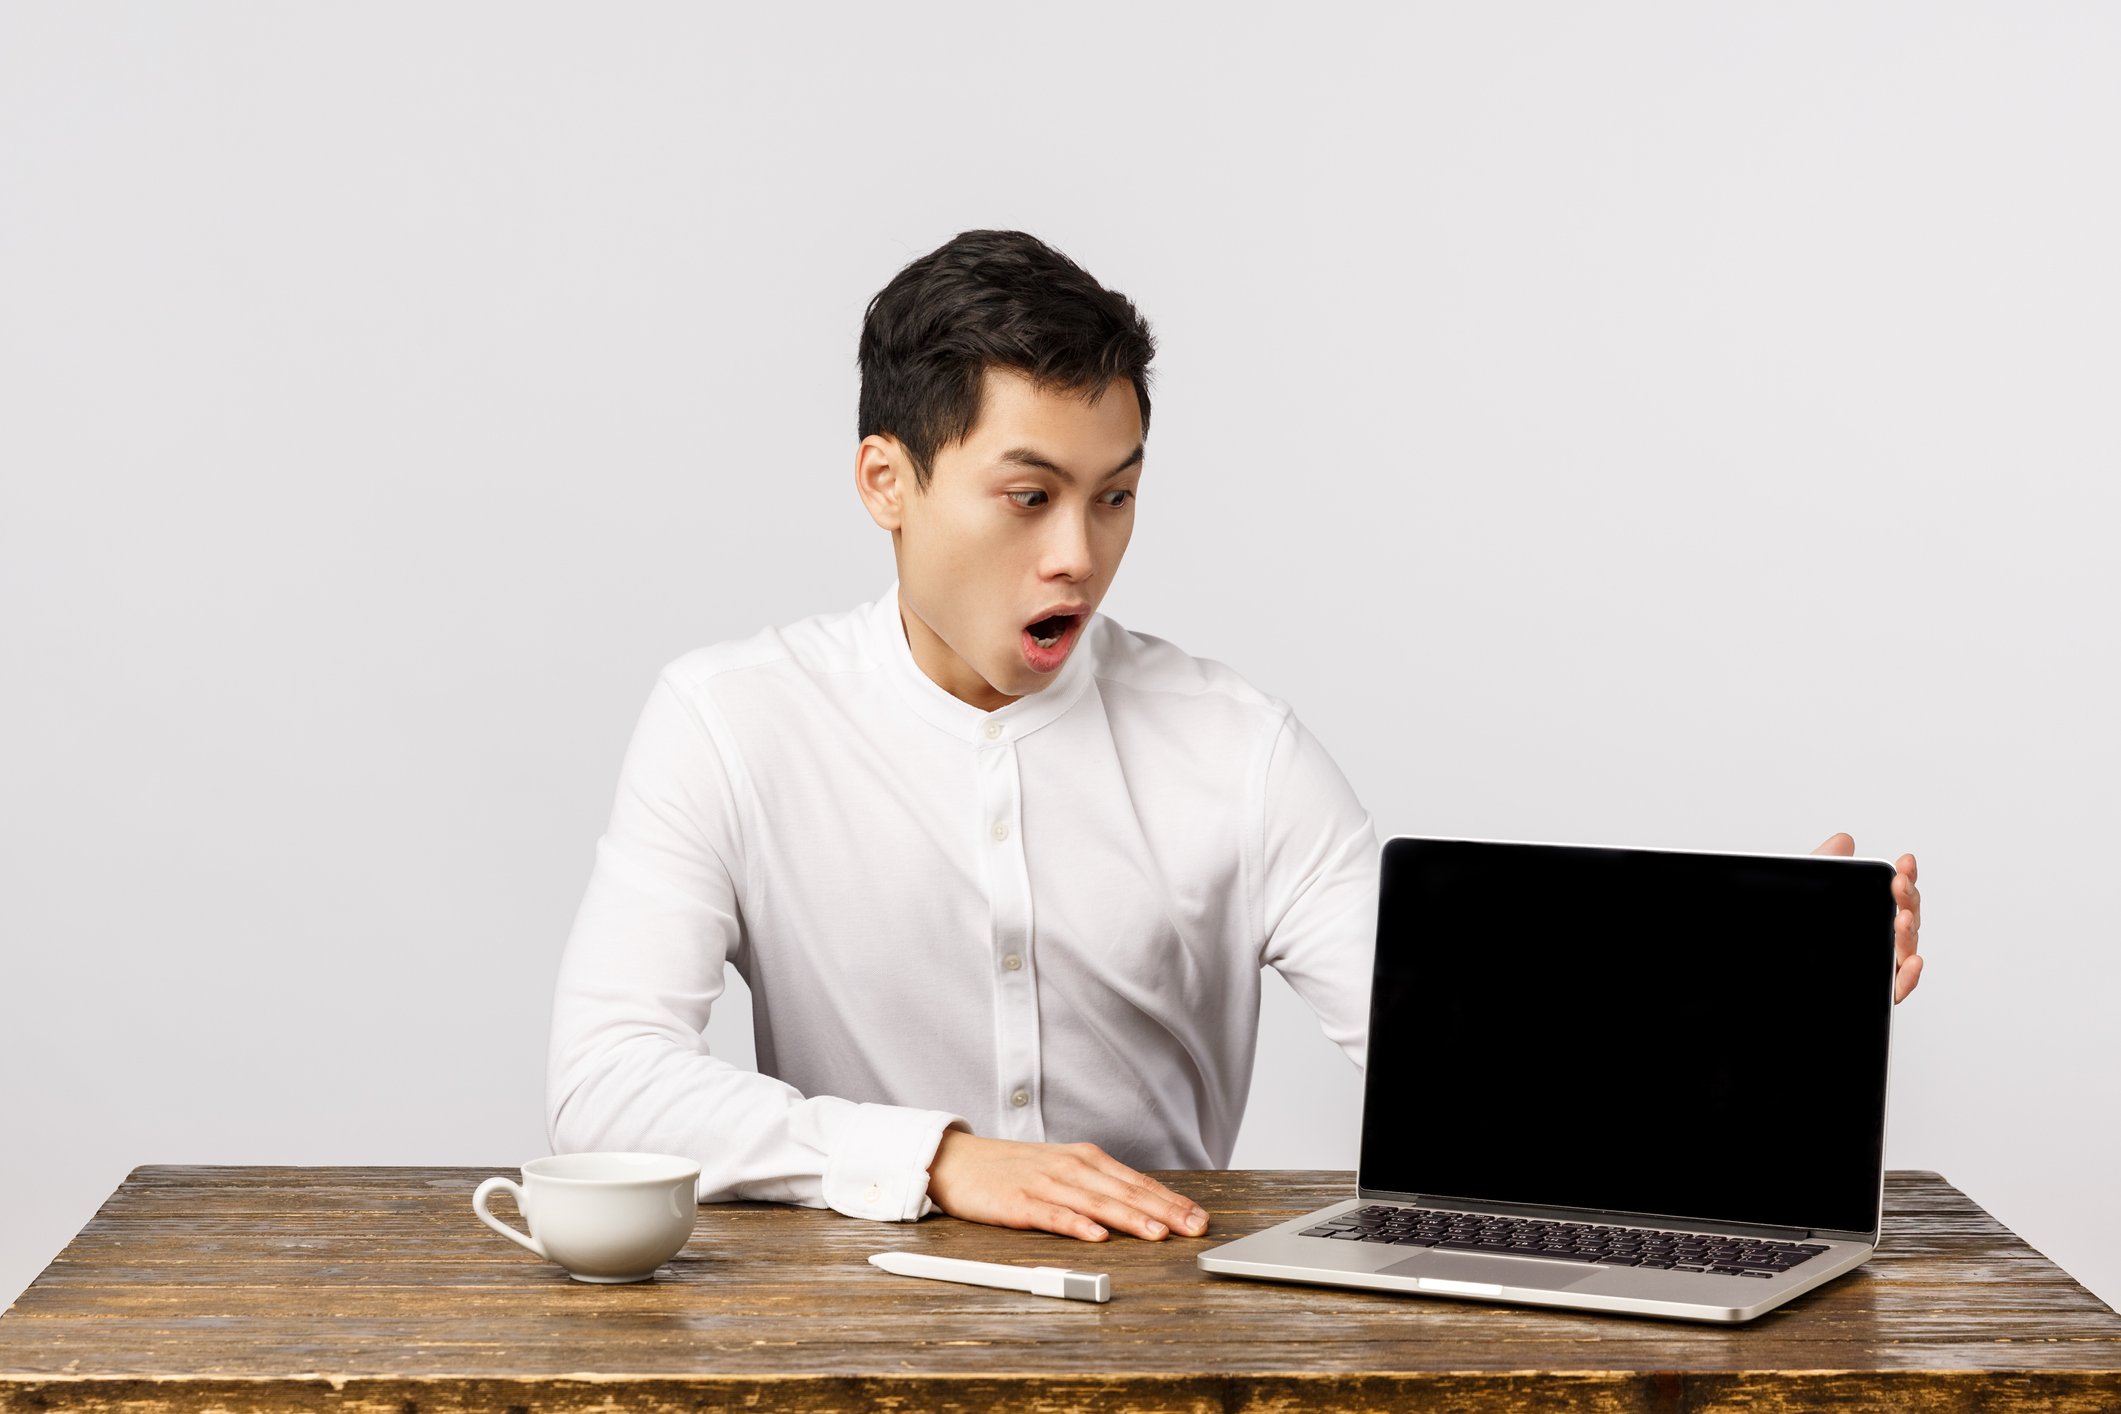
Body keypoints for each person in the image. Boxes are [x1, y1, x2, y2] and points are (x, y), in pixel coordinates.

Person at [545, 229, 1926, 1246]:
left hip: (1164, 1318)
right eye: (1026, 496)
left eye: (1115, 496)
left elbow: (1454, 1057)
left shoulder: (1235, 744)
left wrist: (1749, 1011)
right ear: (884, 482)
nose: (1077, 556)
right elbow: (605, 1085)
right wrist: (940, 1158)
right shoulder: (730, 717)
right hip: (852, 1331)